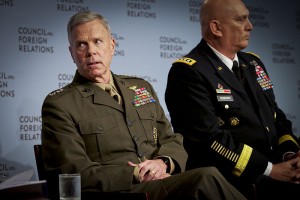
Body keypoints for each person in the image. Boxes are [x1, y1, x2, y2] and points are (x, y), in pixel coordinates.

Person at [41, 10, 246, 200]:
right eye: (81, 44)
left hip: (163, 182)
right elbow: (72, 173)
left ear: (112, 45)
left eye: (97, 41)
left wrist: (163, 162)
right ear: (71, 53)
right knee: (205, 177)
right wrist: (137, 173)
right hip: (120, 191)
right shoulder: (60, 104)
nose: (91, 51)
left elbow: (172, 139)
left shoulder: (140, 87)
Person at [165, 0, 300, 199]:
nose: (250, 25)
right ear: (216, 28)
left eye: (248, 17)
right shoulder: (188, 72)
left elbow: (275, 118)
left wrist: (290, 156)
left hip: (276, 169)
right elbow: (208, 141)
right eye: (240, 19)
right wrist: (271, 170)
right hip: (235, 180)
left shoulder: (252, 63)